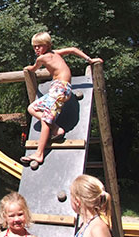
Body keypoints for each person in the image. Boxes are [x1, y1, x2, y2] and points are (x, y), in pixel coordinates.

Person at [21, 32, 102, 166]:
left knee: (46, 119)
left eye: (39, 46)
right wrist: (89, 59)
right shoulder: (56, 53)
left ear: (47, 45)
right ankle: (56, 128)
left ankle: (39, 153)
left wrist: (28, 68)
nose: (36, 49)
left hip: (60, 89)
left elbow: (33, 69)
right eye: (34, 47)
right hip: (58, 89)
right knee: (32, 108)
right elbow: (72, 50)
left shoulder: (42, 59)